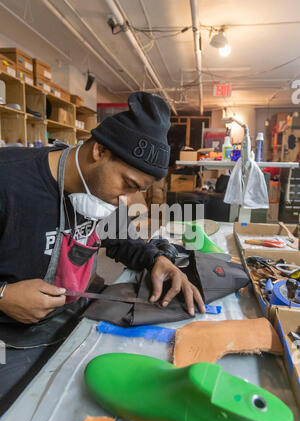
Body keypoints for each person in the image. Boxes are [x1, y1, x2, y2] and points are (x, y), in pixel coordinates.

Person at [0, 91, 205, 326]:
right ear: (100, 151)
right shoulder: (8, 179)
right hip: (10, 333)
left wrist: (158, 260)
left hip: (75, 314)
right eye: (128, 185)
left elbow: (124, 241)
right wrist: (3, 296)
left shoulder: (106, 193)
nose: (126, 201)